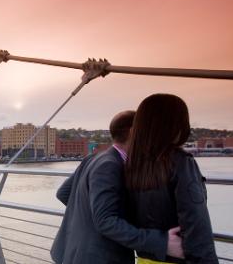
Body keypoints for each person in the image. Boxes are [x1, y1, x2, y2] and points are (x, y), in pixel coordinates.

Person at [51, 110, 183, 263]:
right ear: (134, 132)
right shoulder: (110, 166)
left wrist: (92, 216)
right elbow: (105, 220)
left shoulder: (93, 158)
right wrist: (162, 242)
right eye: (147, 131)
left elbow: (64, 193)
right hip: (98, 257)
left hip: (74, 252)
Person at [125, 94, 218, 263]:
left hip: (147, 258)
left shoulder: (132, 165)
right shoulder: (181, 163)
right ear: (176, 125)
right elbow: (196, 225)